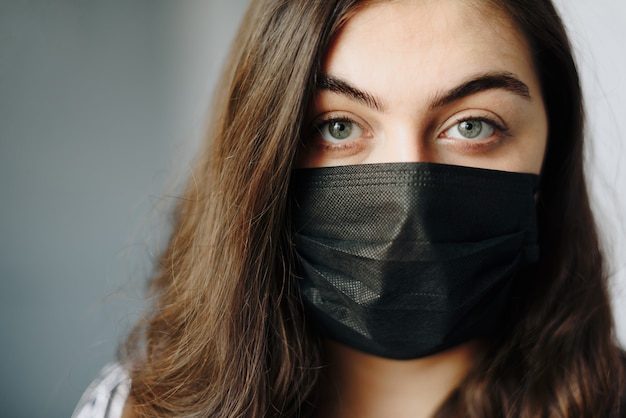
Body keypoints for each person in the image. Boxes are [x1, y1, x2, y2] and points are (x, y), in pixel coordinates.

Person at [73, 0, 626, 417]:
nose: (408, 198)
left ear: (550, 156)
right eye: (337, 127)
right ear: (263, 156)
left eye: (472, 125)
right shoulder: (131, 407)